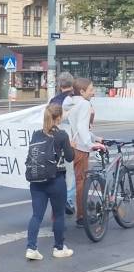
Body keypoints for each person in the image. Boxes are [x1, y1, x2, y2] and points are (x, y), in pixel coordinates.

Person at [25, 104, 75, 261]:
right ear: (58, 118)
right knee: (59, 214)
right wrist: (71, 146)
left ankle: (31, 248)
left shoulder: (36, 134)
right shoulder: (62, 135)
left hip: (37, 181)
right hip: (56, 180)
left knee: (36, 215)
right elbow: (69, 157)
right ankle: (59, 248)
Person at [64, 78, 105, 229]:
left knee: (67, 181)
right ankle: (81, 216)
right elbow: (82, 127)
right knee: (81, 183)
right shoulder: (85, 104)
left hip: (69, 147)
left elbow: (77, 126)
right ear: (82, 91)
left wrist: (95, 137)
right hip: (80, 149)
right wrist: (91, 144)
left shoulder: (70, 103)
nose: (93, 92)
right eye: (91, 89)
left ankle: (60, 211)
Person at [49, 71, 76, 216]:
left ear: (59, 85)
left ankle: (56, 201)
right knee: (70, 173)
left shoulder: (53, 100)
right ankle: (69, 200)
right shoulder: (72, 100)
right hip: (67, 140)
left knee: (57, 173)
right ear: (72, 85)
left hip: (52, 140)